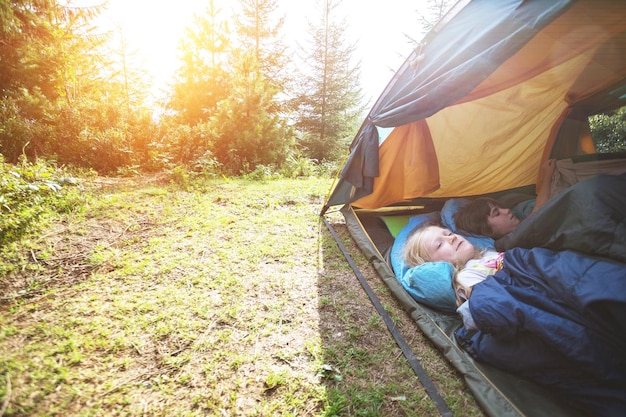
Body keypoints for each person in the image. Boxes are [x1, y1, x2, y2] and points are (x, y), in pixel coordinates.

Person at [402, 222, 626, 416]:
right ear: (432, 264)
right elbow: (488, 309)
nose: (450, 237)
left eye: (447, 232)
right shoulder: (465, 276)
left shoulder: (490, 250)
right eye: (439, 244)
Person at [454, 159, 556, 238]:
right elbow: (539, 211)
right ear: (488, 231)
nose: (507, 210)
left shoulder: (520, 218)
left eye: (500, 208)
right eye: (497, 213)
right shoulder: (512, 242)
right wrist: (547, 175)